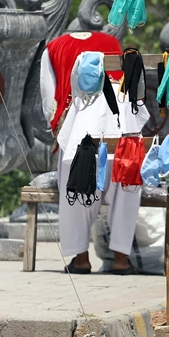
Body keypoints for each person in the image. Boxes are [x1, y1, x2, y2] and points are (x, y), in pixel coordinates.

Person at [39, 31, 149, 274]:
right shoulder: (112, 43)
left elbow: (49, 98)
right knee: (126, 188)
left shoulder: (54, 47)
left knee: (76, 190)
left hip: (80, 121)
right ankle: (121, 259)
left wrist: (57, 126)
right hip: (121, 121)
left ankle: (81, 259)